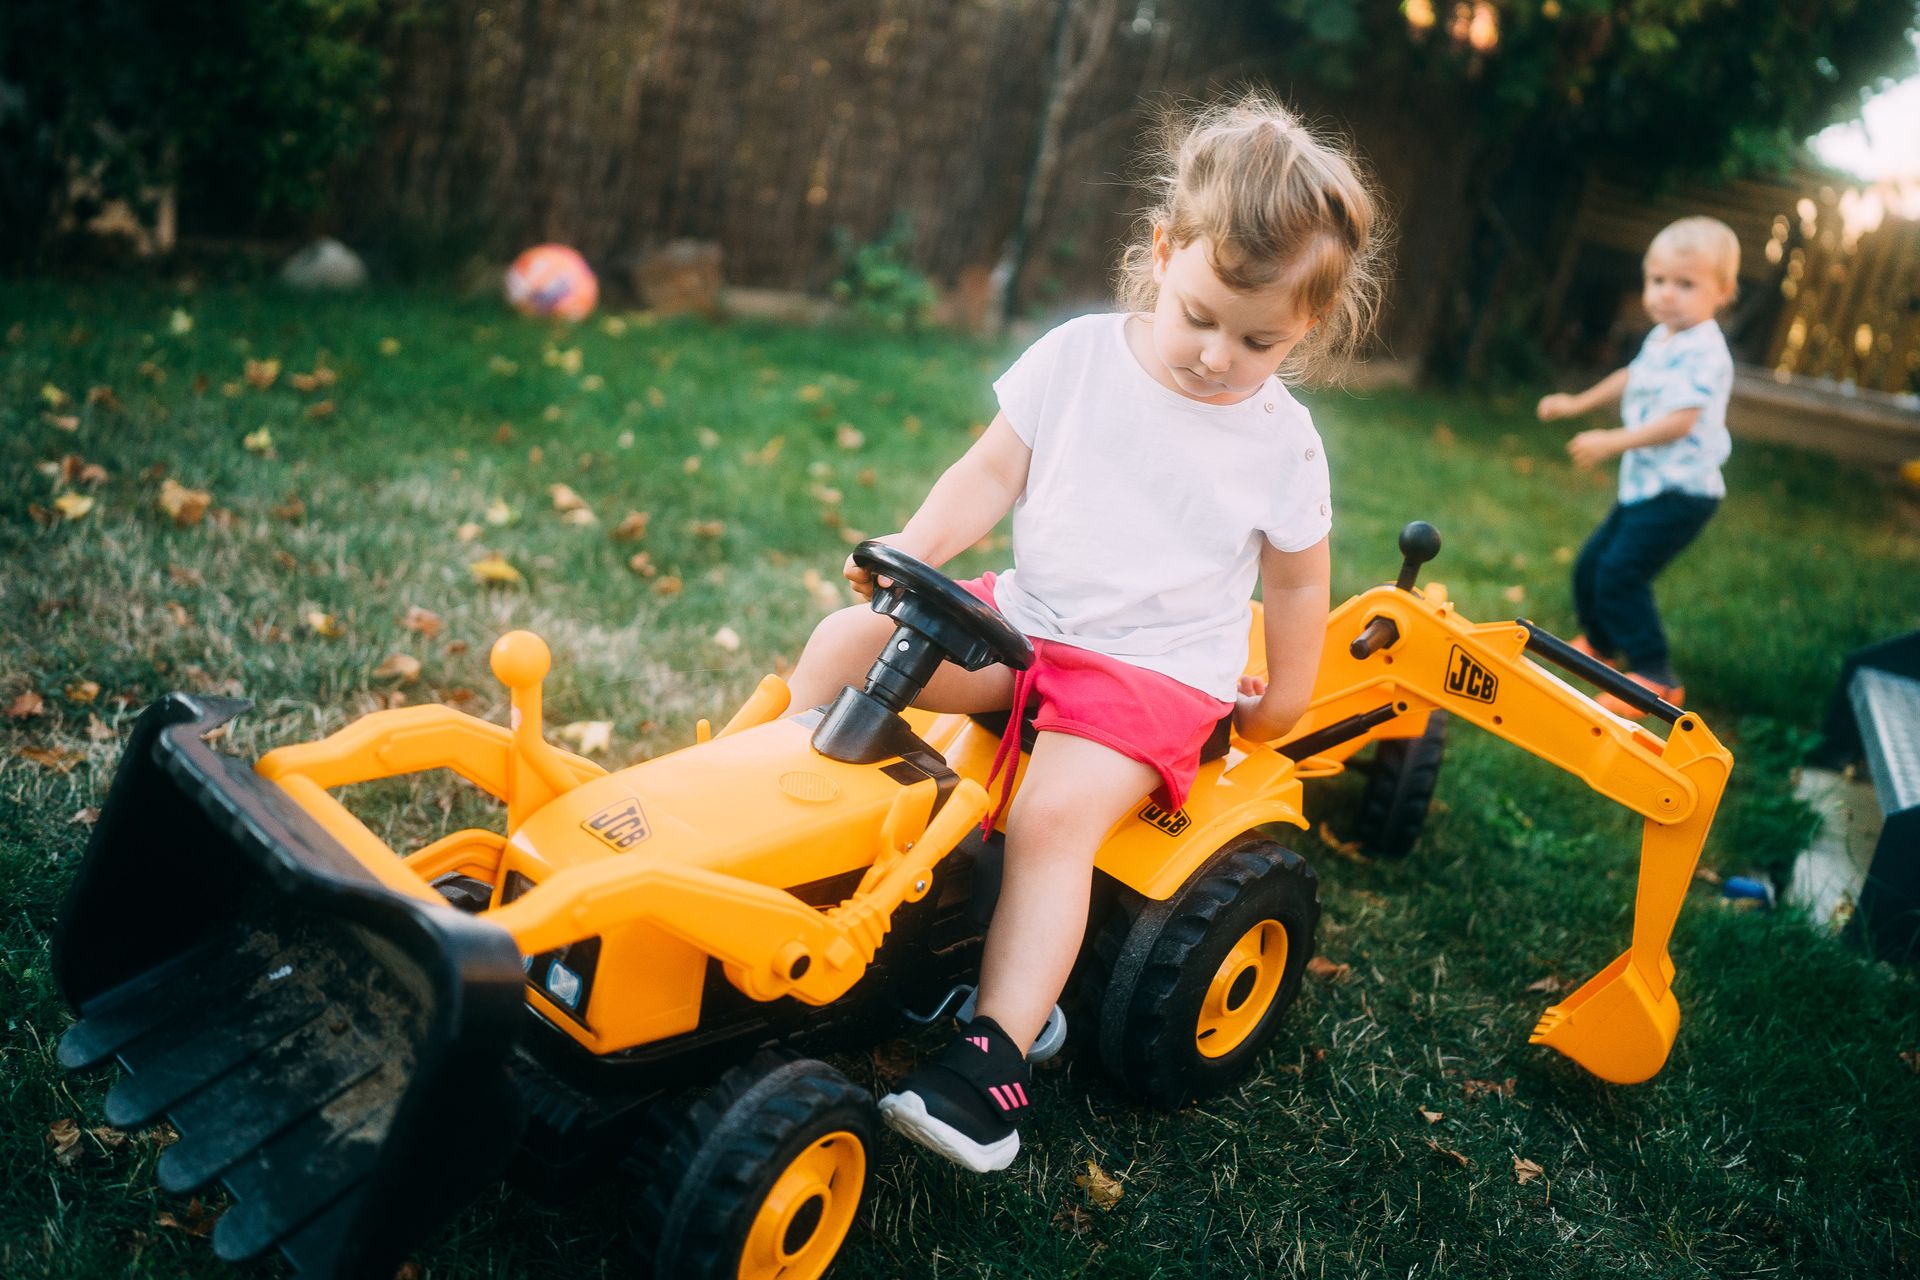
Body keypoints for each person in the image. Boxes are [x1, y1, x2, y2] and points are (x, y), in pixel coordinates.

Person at [781, 93, 1384, 1173]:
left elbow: (1298, 586)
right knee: (841, 645)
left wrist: (1285, 699)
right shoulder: (1077, 360)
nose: (1217, 355)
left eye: (1258, 339)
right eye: (1199, 317)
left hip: (1151, 674)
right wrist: (913, 544)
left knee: (1053, 815)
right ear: (1162, 251)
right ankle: (778, 838)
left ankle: (995, 1056)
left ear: (1306, 328)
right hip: (1026, 619)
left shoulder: (1283, 444)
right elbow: (988, 473)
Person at [1537, 216, 1739, 715]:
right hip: (1649, 486)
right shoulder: (1664, 337)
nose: (1666, 294)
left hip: (1683, 493)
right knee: (1592, 564)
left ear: (1723, 292)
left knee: (1621, 572)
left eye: (1685, 284)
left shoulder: (1704, 351)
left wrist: (1614, 441)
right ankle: (1601, 645)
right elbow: (1632, 376)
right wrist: (1578, 402)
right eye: (1658, 280)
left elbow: (1682, 422)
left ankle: (1656, 676)